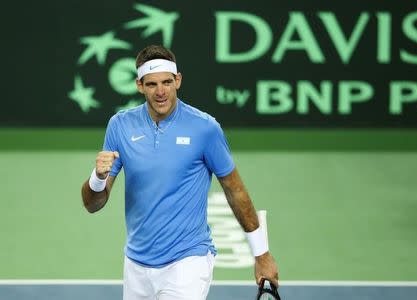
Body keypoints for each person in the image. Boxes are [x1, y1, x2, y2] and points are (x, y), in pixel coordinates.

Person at [81, 44, 279, 300]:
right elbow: (93, 204)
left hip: (188, 261)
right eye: (152, 84)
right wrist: (97, 178)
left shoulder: (205, 128)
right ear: (140, 85)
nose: (161, 92)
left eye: (167, 82)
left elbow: (234, 189)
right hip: (136, 264)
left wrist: (261, 254)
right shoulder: (120, 126)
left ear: (178, 80)